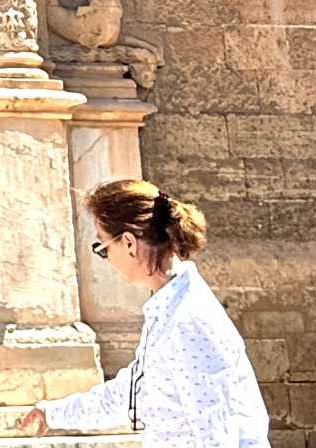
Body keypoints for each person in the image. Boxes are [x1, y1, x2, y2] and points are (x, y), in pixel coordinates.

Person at [21, 180, 269, 448]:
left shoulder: (187, 322)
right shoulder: (167, 312)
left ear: (129, 243)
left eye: (104, 249)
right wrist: (53, 414)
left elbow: (216, 436)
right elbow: (130, 395)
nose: (107, 259)